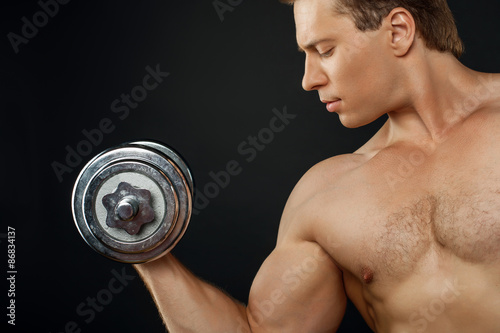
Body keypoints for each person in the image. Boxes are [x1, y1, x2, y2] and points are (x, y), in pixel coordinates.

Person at [134, 0, 500, 331]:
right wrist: (143, 245)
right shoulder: (327, 195)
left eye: (324, 50)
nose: (309, 80)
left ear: (398, 31)